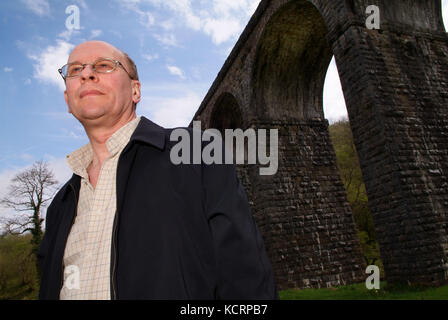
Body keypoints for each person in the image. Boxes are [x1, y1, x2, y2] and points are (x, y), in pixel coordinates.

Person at [37, 40, 278, 300]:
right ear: (67, 100)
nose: (86, 73)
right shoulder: (60, 204)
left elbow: (245, 280)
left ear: (135, 91)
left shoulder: (195, 151)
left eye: (104, 65)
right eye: (74, 70)